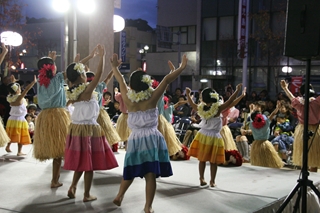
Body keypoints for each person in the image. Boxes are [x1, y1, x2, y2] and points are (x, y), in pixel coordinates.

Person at [111, 53, 188, 213]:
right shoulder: (152, 97)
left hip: (135, 138)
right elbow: (167, 80)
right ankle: (148, 206)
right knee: (150, 174)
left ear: (132, 85)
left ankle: (119, 195)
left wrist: (114, 67)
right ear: (147, 83)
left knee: (131, 169)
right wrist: (181, 68)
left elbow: (121, 81)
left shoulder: (128, 99)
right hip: (151, 138)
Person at [64, 45, 118, 202]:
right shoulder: (86, 91)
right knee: (89, 164)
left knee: (82, 162)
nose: (85, 75)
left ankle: (73, 186)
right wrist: (101, 56)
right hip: (89, 129)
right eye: (83, 73)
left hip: (76, 129)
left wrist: (87, 58)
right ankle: (86, 194)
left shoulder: (72, 88)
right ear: (81, 76)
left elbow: (73, 69)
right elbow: (99, 74)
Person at [186, 84, 243, 187]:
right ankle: (212, 181)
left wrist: (188, 94)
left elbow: (191, 104)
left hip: (203, 135)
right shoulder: (218, 109)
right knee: (213, 161)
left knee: (202, 159)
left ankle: (202, 178)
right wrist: (237, 91)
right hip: (214, 136)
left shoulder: (201, 108)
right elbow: (230, 101)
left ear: (203, 98)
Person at [33, 51, 72, 188]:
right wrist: (83, 60)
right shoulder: (59, 78)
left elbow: (48, 73)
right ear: (51, 67)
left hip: (44, 116)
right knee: (59, 151)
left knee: (56, 150)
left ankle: (55, 180)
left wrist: (51, 61)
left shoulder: (40, 81)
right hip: (58, 116)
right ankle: (54, 180)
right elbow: (71, 71)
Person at [280, 80, 320, 172]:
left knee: (304, 155)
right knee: (313, 157)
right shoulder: (317, 102)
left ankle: (304, 178)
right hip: (315, 132)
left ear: (301, 93)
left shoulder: (299, 103)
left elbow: (291, 97)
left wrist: (285, 88)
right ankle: (313, 180)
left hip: (302, 130)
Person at [84, 68, 121, 153]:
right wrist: (114, 69)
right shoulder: (99, 86)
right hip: (99, 113)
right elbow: (108, 78)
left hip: (87, 114)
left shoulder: (84, 88)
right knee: (101, 135)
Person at [5, 76, 37, 155]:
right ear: (17, 91)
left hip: (11, 119)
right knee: (21, 135)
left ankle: (8, 146)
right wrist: (33, 82)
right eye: (19, 88)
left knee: (11, 133)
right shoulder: (19, 98)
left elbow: (12, 90)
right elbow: (26, 90)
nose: (20, 89)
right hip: (19, 119)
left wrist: (13, 82)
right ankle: (19, 151)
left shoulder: (10, 98)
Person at [249, 101, 283, 168]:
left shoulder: (251, 125)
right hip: (265, 144)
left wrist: (251, 110)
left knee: (258, 163)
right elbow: (272, 115)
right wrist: (277, 108)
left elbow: (251, 117)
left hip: (256, 145)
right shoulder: (266, 124)